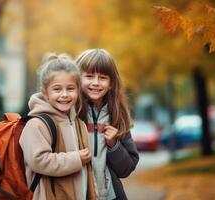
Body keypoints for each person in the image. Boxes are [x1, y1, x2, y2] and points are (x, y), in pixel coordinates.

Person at [19, 53, 97, 200]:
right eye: (57, 89)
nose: (65, 94)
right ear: (45, 93)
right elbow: (39, 161)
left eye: (70, 88)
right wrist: (76, 159)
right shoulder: (36, 124)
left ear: (78, 91)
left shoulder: (79, 124)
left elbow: (87, 171)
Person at [76, 48, 139, 200]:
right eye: (89, 76)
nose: (96, 83)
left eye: (103, 78)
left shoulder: (118, 116)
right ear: (77, 79)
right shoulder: (70, 114)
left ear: (111, 83)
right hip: (77, 193)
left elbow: (126, 169)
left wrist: (114, 145)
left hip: (109, 196)